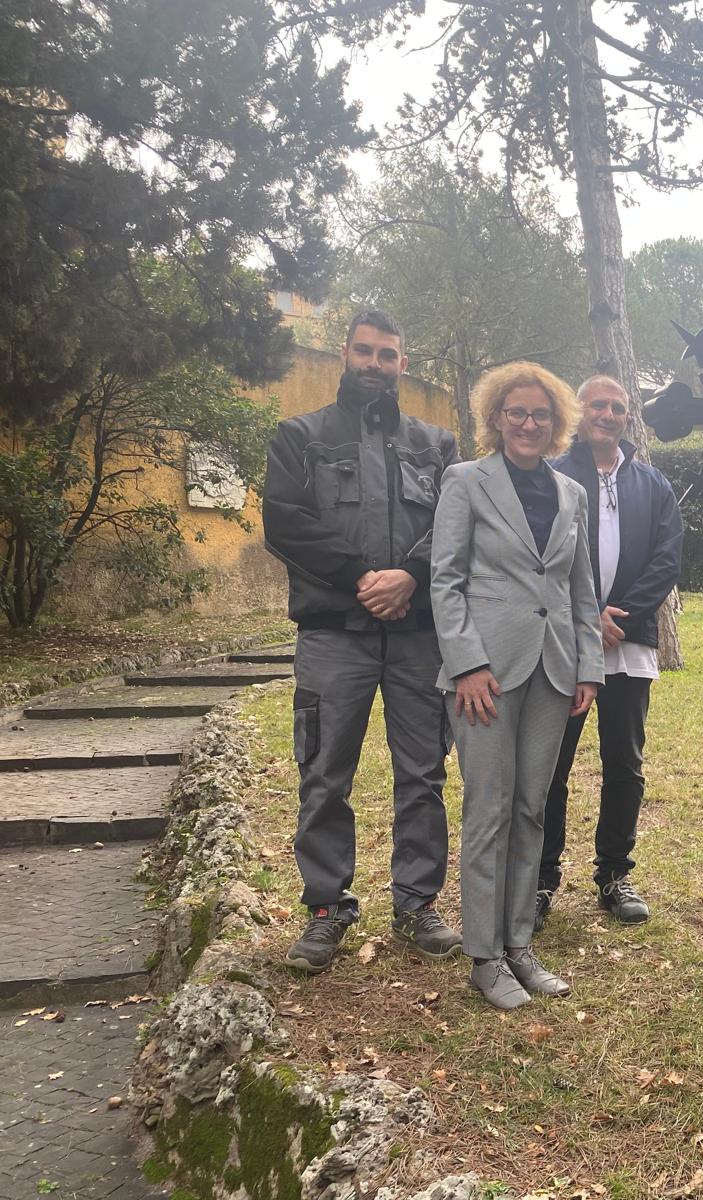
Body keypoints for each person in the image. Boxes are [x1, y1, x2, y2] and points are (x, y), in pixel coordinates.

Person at [263, 310, 462, 973]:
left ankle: (417, 902)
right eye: (365, 351)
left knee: (424, 775)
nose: (375, 363)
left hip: (418, 637)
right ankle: (327, 908)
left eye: (388, 353)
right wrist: (360, 577)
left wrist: (412, 576)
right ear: (345, 353)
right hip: (333, 636)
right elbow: (285, 522)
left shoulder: (437, 445)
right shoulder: (299, 437)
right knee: (323, 774)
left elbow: (457, 523)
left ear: (404, 362)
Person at [431, 362, 602, 1009]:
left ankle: (519, 944)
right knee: (490, 809)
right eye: (517, 412)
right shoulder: (465, 481)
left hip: (554, 671)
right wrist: (467, 663)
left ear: (556, 423)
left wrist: (589, 667)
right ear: (496, 418)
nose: (529, 423)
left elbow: (581, 588)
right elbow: (445, 580)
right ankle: (484, 955)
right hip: (485, 676)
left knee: (533, 807)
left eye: (540, 414)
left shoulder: (571, 493)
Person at [538, 375, 684, 929]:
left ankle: (615, 873)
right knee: (551, 763)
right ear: (578, 412)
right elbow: (538, 557)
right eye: (597, 405)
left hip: (628, 639)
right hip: (563, 641)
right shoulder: (551, 475)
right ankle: (540, 878)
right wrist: (584, 617)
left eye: (618, 407)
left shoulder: (652, 483)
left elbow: (667, 557)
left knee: (625, 762)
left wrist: (618, 615)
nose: (608, 414)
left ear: (629, 417)